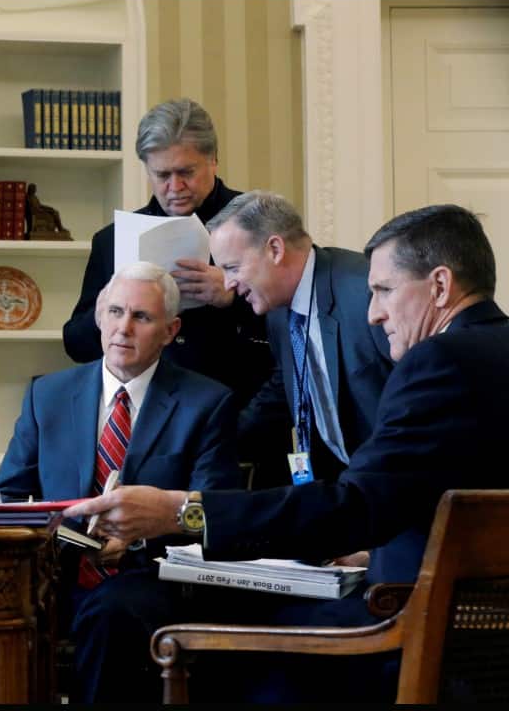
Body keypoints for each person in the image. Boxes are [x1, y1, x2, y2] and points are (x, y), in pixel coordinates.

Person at [70, 204, 508, 702]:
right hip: (465, 621)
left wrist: (181, 511)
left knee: (215, 658)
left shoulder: (437, 360)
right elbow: (423, 491)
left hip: (415, 625)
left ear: (440, 286)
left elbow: (355, 504)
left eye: (384, 290)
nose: (374, 313)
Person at [0, 261, 243, 703]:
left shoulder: (207, 403)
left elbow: (214, 515)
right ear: (99, 317)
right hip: (56, 572)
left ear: (169, 329)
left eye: (141, 317)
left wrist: (140, 536)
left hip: (153, 578)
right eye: (116, 312)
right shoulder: (46, 395)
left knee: (109, 611)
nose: (124, 328)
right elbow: (5, 494)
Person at [62, 99, 272, 410]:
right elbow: (76, 346)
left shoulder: (261, 222)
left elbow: (301, 327)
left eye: (186, 172)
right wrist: (104, 314)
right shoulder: (112, 240)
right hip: (144, 423)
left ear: (213, 159)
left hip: (241, 416)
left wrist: (234, 298)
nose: (175, 187)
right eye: (161, 175)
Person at [208, 191, 394, 485]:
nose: (228, 283)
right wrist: (212, 442)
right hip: (346, 487)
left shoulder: (366, 293)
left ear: (275, 249)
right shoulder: (278, 309)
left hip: (404, 488)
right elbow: (285, 388)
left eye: (232, 267)